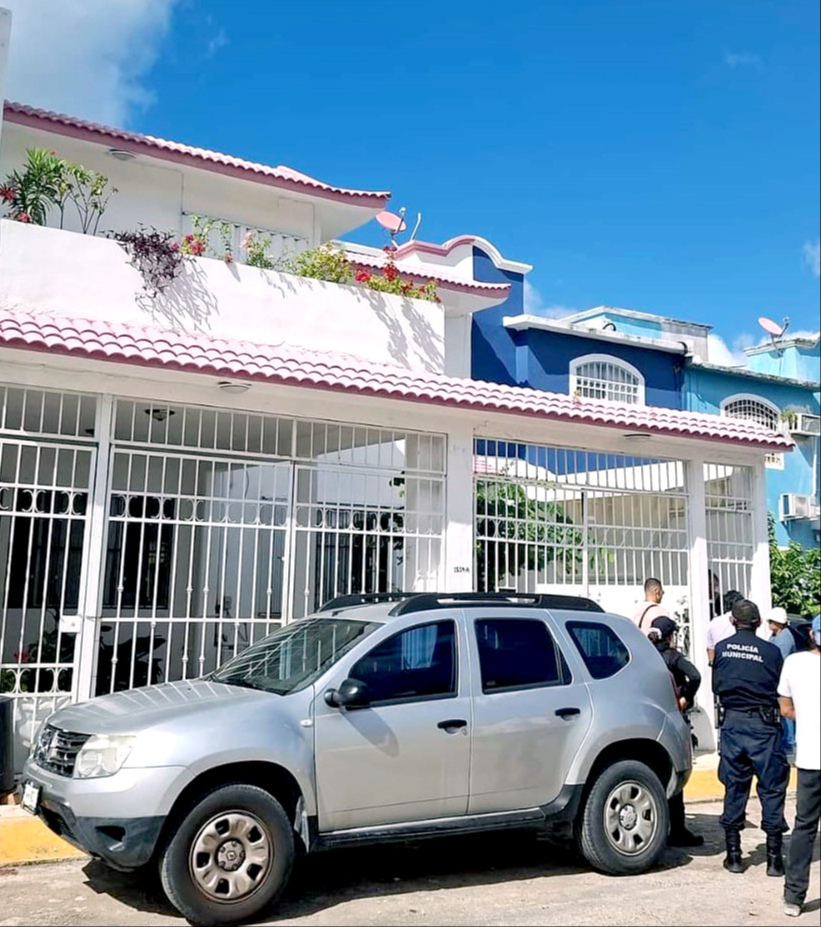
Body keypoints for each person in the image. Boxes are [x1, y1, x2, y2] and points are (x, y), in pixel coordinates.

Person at [712, 599, 789, 876]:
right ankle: (774, 859)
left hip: (733, 725)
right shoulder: (770, 651)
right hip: (764, 726)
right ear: (758, 622)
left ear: (733, 621)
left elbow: (717, 686)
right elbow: (780, 687)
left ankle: (734, 856)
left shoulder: (721, 649)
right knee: (771, 789)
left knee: (734, 788)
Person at [778, 614, 821, 917]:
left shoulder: (794, 663)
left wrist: (804, 718)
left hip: (810, 759)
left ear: (812, 635)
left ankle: (794, 897)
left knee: (804, 827)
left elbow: (785, 707)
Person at [650, 615, 704, 847]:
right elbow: (695, 676)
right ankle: (678, 829)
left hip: (649, 719)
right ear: (670, 636)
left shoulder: (644, 656)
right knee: (675, 771)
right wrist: (684, 698)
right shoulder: (672, 657)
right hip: (672, 718)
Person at [768, 607, 797, 758]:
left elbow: (779, 660)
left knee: (786, 711)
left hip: (783, 680)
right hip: (778, 679)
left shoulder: (784, 638)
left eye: (771, 622)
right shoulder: (776, 636)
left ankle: (789, 744)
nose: (769, 624)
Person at [706, 590, 744, 666]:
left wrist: (712, 664)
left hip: (721, 663)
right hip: (740, 662)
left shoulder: (714, 622)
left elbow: (710, 649)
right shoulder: (743, 620)